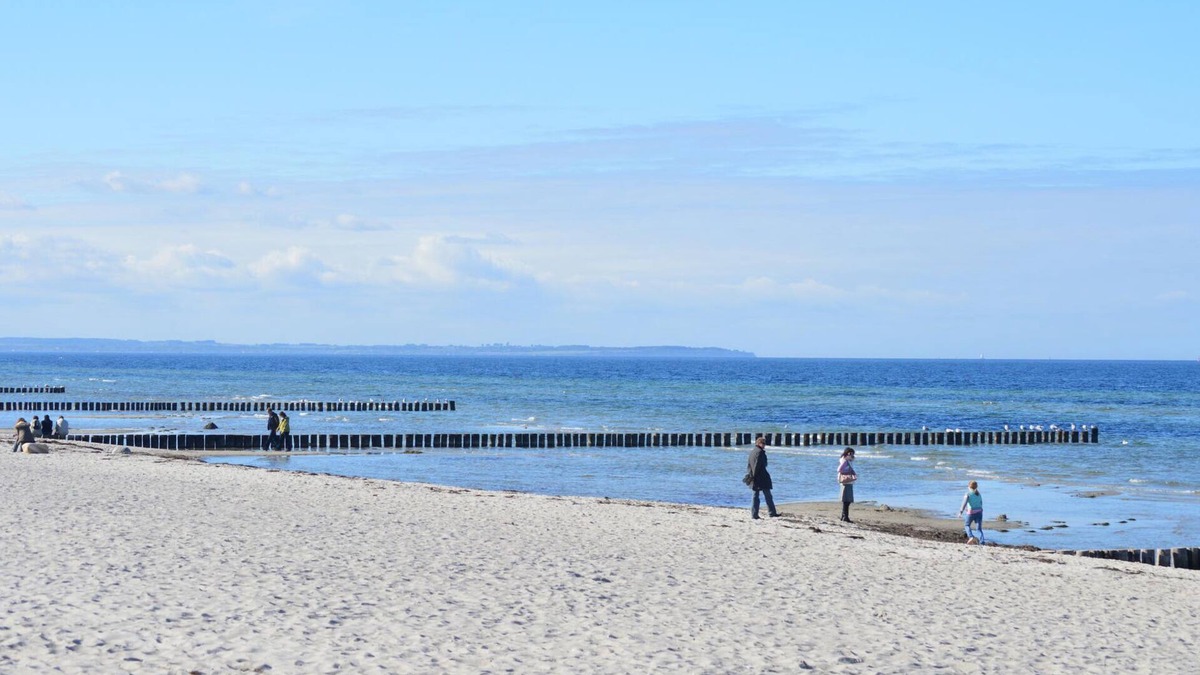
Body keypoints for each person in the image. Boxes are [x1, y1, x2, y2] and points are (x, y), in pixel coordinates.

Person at [746, 436, 779, 519]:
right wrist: (754, 476)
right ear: (758, 443)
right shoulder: (760, 452)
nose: (764, 445)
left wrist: (751, 475)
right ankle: (771, 513)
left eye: (764, 443)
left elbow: (749, 465)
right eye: (763, 443)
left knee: (756, 496)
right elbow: (757, 465)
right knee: (766, 495)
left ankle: (755, 514)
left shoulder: (752, 452)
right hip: (760, 477)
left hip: (754, 476)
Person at [837, 447, 858, 522]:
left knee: (847, 500)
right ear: (848, 453)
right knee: (846, 500)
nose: (853, 455)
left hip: (848, 482)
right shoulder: (845, 461)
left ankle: (844, 516)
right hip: (846, 482)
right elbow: (839, 469)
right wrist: (848, 473)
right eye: (851, 454)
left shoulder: (847, 460)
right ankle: (845, 517)